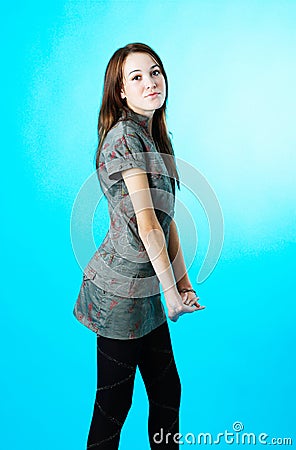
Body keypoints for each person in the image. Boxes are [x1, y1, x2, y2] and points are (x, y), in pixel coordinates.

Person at [73, 43, 206, 449]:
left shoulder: (153, 136)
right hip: (119, 294)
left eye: (155, 72)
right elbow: (146, 224)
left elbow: (167, 223)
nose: (150, 82)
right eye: (136, 77)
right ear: (121, 92)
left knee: (168, 393)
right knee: (113, 408)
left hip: (148, 288)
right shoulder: (124, 139)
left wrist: (182, 284)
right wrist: (170, 293)